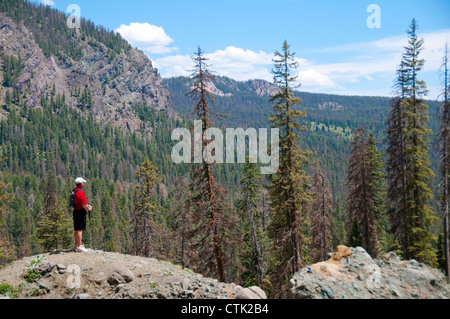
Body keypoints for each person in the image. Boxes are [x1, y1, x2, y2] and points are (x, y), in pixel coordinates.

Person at [72, 177, 92, 252]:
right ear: (80, 184)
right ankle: (79, 246)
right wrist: (89, 208)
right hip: (80, 212)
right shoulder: (80, 192)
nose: (84, 184)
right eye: (83, 183)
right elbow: (84, 204)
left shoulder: (74, 191)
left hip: (75, 211)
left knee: (76, 229)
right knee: (80, 229)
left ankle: (77, 245)